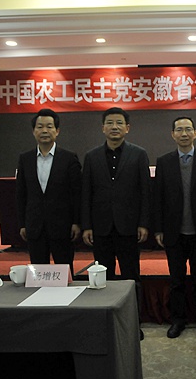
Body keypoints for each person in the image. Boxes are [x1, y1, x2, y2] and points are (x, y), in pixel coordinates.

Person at [81, 107, 150, 340]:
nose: (114, 127)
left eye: (119, 123)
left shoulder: (139, 154)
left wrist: (143, 223)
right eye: (109, 123)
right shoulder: (91, 156)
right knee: (103, 278)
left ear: (127, 128)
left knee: (132, 277)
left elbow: (145, 192)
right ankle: (106, 324)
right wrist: (87, 225)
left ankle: (133, 324)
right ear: (103, 128)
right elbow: (86, 193)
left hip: (129, 227)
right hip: (101, 228)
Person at [153, 116, 196, 338]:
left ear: (195, 133)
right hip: (174, 232)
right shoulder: (164, 162)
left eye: (188, 129)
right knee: (176, 281)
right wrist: (159, 229)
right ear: (173, 134)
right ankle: (177, 321)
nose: (184, 133)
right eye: (179, 130)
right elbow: (158, 198)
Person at [16, 108, 82, 276]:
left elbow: (76, 194)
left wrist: (76, 222)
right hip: (35, 225)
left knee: (65, 271)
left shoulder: (69, 158)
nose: (44, 130)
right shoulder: (25, 159)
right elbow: (21, 194)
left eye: (49, 126)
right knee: (38, 272)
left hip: (62, 225)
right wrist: (22, 223)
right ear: (33, 131)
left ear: (57, 131)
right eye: (40, 127)